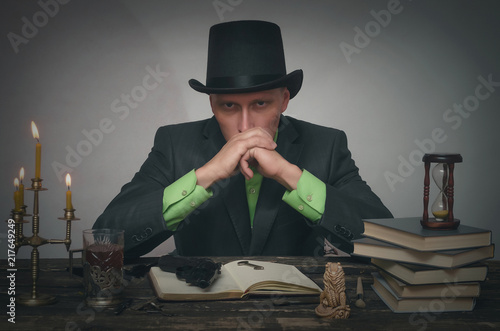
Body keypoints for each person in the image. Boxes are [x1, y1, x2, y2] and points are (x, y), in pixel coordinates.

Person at [93, 20, 392, 258]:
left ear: (284, 100)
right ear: (212, 105)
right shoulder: (173, 144)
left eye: (261, 104)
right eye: (229, 106)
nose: (245, 126)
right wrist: (204, 176)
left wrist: (291, 176)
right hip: (198, 312)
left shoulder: (326, 145)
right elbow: (104, 240)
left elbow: (387, 243)